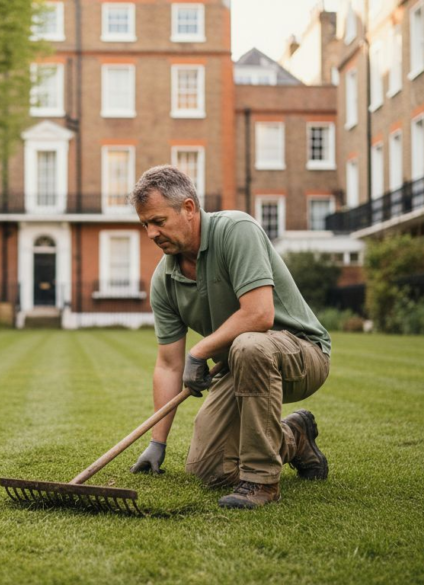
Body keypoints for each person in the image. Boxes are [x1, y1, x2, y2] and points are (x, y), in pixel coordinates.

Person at [128, 165, 332, 510]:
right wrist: (157, 443)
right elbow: (167, 364)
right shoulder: (164, 281)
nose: (150, 233)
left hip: (300, 354)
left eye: (158, 221)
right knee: (208, 468)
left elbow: (259, 315)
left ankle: (262, 482)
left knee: (249, 344)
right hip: (238, 365)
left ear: (189, 209)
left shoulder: (236, 230)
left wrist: (201, 350)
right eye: (145, 224)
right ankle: (294, 438)